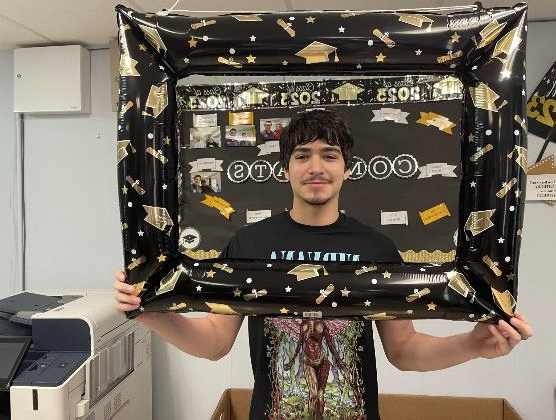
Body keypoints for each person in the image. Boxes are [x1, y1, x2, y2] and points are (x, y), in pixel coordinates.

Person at [114, 110, 534, 420]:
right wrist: (147, 311)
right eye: (302, 155)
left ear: (347, 170)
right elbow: (214, 342)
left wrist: (474, 345)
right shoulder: (249, 243)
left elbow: (404, 351)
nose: (316, 167)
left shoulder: (377, 247)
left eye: (329, 155)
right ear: (286, 170)